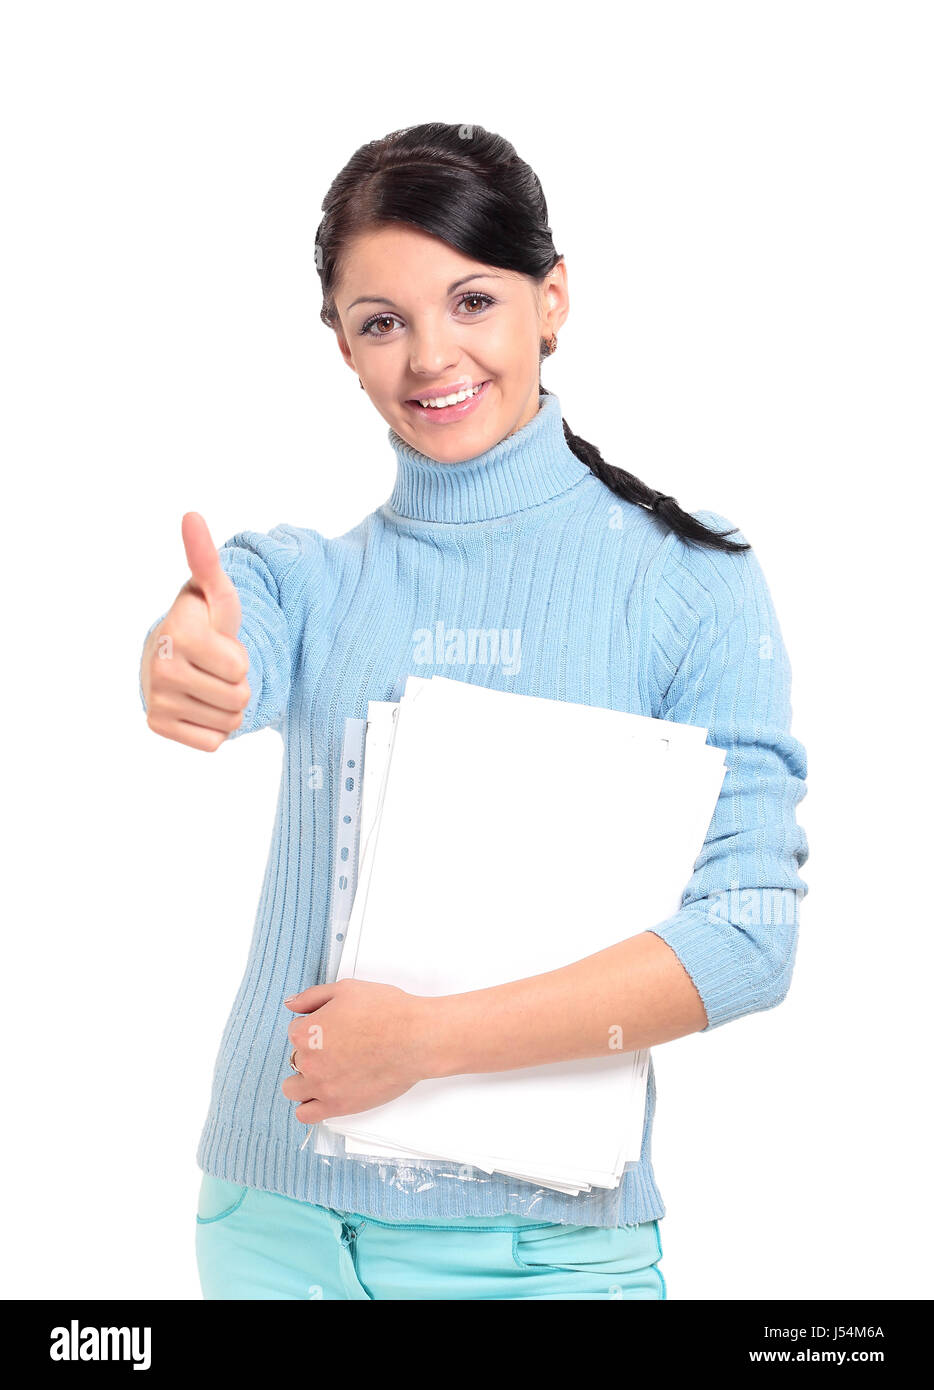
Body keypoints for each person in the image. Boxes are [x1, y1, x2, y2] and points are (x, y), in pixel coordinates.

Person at [138, 121, 809, 1300]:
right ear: (341, 347)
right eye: (380, 321)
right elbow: (219, 641)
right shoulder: (306, 579)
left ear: (552, 302)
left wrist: (428, 1044)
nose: (429, 356)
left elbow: (750, 939)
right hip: (266, 1227)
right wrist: (186, 656)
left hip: (537, 1252)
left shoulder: (691, 584)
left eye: (473, 301)